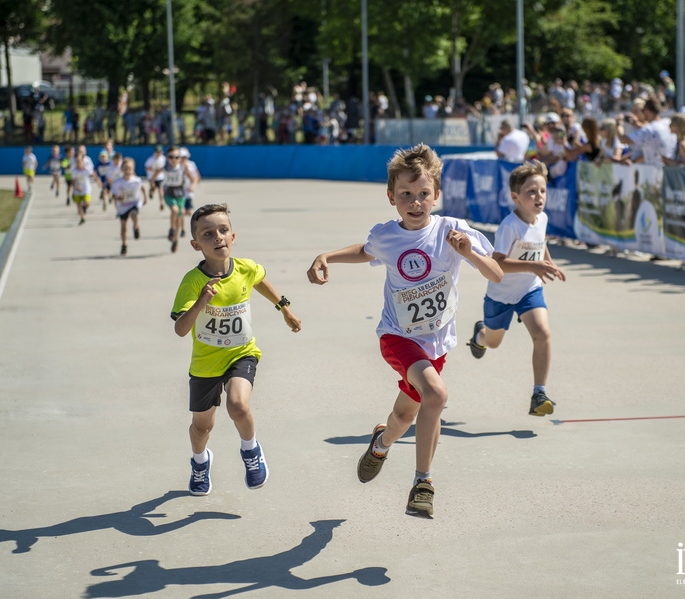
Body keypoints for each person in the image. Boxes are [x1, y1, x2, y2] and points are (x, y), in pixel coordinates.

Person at [306, 144, 502, 518]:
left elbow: (496, 274)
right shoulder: (388, 236)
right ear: (391, 197)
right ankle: (422, 484)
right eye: (406, 195)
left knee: (404, 416)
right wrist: (326, 256)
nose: (416, 203)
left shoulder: (453, 231)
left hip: (437, 343)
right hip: (399, 337)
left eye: (423, 194)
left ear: (437, 195)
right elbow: (366, 251)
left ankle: (380, 444)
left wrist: (470, 253)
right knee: (437, 394)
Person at [171, 203, 301, 496]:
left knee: (238, 405)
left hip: (241, 353)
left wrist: (285, 309)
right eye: (207, 234)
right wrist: (202, 301)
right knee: (202, 427)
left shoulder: (244, 268)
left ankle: (251, 451)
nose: (217, 237)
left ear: (233, 236)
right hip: (205, 364)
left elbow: (260, 279)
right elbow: (180, 329)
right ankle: (200, 462)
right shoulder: (192, 282)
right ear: (196, 244)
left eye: (223, 230)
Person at [466, 161, 566, 415]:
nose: (539, 197)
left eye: (542, 191)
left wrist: (548, 263)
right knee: (493, 342)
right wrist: (533, 267)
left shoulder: (541, 218)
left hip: (529, 291)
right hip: (500, 295)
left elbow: (540, 243)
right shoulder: (509, 226)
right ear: (515, 197)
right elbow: (497, 263)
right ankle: (479, 336)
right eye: (531, 192)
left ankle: (538, 393)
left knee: (542, 333)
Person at [154, 146, 196, 252]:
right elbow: (153, 177)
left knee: (179, 218)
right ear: (167, 158)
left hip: (180, 194)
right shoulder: (164, 168)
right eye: (171, 157)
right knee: (174, 210)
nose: (174, 160)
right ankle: (172, 229)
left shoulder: (183, 168)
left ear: (180, 158)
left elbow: (193, 179)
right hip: (169, 193)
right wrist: (152, 187)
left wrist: (192, 186)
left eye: (176, 157)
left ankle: (175, 240)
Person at [110, 158, 148, 256]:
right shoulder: (118, 182)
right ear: (121, 170)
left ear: (133, 170)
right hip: (123, 206)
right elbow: (113, 195)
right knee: (123, 227)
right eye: (125, 169)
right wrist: (118, 198)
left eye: (130, 169)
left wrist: (145, 198)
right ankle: (124, 245)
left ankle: (136, 227)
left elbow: (142, 187)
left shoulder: (136, 180)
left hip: (134, 203)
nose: (128, 171)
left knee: (134, 214)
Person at [70, 152, 100, 226]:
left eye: (79, 161)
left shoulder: (86, 169)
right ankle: (82, 218)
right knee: (78, 205)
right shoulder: (74, 171)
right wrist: (76, 187)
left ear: (83, 161)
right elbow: (73, 181)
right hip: (77, 190)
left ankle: (84, 208)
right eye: (77, 161)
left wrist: (98, 181)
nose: (78, 163)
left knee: (87, 202)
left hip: (86, 188)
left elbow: (93, 174)